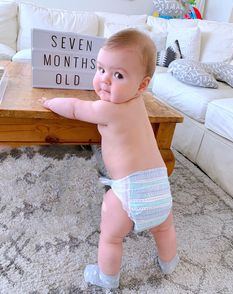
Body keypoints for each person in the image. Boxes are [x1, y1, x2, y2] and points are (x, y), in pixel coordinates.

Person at [41, 29, 179, 289]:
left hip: (128, 192)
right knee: (164, 229)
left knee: (111, 238)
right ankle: (169, 262)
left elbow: (74, 108)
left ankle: (107, 278)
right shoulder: (139, 103)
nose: (104, 80)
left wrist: (50, 102)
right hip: (160, 187)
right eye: (100, 69)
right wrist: (116, 79)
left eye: (118, 75)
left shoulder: (107, 109)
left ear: (141, 84)